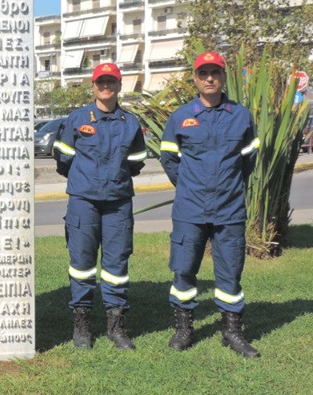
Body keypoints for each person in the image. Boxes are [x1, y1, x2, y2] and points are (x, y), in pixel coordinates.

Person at [159, 51, 260, 358]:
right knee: (184, 270)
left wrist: (227, 187)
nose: (210, 78)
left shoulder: (240, 115)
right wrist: (190, 185)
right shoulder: (180, 116)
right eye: (204, 73)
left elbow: (248, 160)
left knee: (230, 272)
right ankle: (184, 329)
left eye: (215, 72)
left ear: (223, 77)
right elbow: (168, 159)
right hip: (190, 209)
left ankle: (231, 333)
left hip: (229, 209)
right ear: (196, 78)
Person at [53, 63, 147, 349]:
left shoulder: (130, 123)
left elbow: (136, 161)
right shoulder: (77, 119)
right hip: (84, 201)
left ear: (119, 86)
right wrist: (86, 181)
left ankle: (116, 327)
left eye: (111, 82)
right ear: (93, 86)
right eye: (100, 82)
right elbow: (63, 158)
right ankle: (82, 326)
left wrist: (113, 180)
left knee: (116, 264)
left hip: (118, 202)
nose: (106, 86)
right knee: (82, 264)